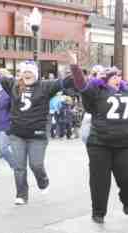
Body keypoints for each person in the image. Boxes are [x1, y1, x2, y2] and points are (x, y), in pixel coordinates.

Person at [0, 59, 73, 205]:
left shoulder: (46, 86)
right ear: (21, 75)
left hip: (37, 135)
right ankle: (21, 194)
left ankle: (43, 180)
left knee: (36, 165)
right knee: (19, 166)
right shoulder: (14, 85)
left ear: (35, 74)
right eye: (24, 72)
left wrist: (73, 65)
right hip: (17, 134)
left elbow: (66, 82)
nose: (27, 75)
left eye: (30, 72)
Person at [69, 51, 128, 224]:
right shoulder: (97, 92)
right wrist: (74, 66)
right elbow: (81, 86)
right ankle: (99, 212)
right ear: (106, 80)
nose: (118, 78)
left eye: (119, 76)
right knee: (100, 180)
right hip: (99, 143)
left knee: (126, 177)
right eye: (114, 76)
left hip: (124, 143)